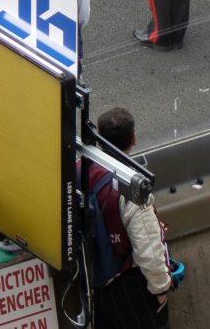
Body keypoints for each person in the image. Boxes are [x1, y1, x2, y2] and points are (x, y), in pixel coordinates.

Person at [81, 110, 172, 329]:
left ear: (100, 139)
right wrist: (160, 291)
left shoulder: (82, 169)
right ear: (133, 139)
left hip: (94, 283)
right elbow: (149, 251)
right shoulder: (132, 189)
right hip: (130, 288)